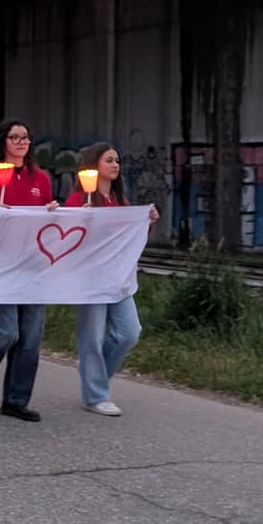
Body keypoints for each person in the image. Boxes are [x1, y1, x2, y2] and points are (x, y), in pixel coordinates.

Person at [0, 118, 59, 423]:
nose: (21, 142)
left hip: (32, 265)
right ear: (3, 141)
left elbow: (48, 222)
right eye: (15, 137)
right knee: (7, 332)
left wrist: (53, 212)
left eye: (25, 137)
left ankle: (16, 400)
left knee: (30, 337)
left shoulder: (39, 178)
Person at [67, 142, 158, 416]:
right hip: (90, 280)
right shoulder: (78, 199)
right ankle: (95, 395)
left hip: (118, 280)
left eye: (117, 160)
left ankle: (92, 373)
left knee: (129, 333)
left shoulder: (121, 202)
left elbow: (128, 240)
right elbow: (68, 236)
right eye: (109, 160)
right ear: (93, 164)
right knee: (92, 337)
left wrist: (147, 222)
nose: (115, 165)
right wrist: (80, 217)